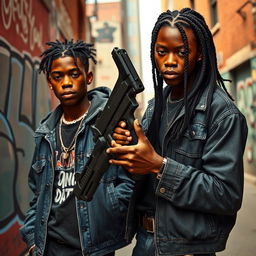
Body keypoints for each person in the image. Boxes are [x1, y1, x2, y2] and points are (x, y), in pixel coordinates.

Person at [107, 8, 248, 256]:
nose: (170, 60)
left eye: (182, 52)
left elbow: (225, 195)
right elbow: (142, 176)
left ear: (200, 54)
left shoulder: (223, 114)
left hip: (187, 249)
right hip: (146, 242)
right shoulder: (156, 105)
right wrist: (130, 150)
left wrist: (159, 166)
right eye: (162, 52)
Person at [20, 39, 134, 256]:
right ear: (50, 83)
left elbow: (129, 179)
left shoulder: (110, 123)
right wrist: (33, 239)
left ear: (88, 77)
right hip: (49, 247)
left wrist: (110, 210)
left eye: (74, 74)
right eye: (57, 77)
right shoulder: (45, 134)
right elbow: (39, 193)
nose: (66, 82)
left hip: (94, 248)